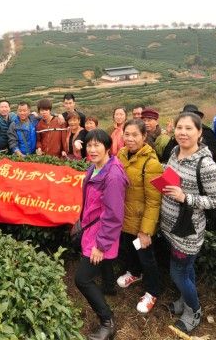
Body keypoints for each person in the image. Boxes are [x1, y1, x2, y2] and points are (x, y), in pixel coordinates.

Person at [160, 112, 216, 334]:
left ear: (200, 133)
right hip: (170, 226)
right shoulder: (174, 152)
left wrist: (185, 197)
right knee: (185, 271)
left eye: (189, 128)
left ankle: (194, 310)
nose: (183, 132)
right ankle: (184, 299)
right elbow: (173, 176)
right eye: (180, 127)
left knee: (178, 273)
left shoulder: (206, 165)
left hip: (188, 232)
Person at [74, 129, 128, 340]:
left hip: (101, 235)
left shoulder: (112, 176)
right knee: (103, 266)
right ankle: (109, 287)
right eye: (89, 145)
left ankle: (107, 321)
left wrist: (100, 245)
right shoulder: (95, 167)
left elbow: (114, 215)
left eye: (97, 145)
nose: (92, 149)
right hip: (93, 229)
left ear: (107, 147)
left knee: (82, 279)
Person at [115, 119, 164, 314]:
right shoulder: (121, 154)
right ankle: (134, 273)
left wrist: (145, 231)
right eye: (127, 134)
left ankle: (153, 291)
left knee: (146, 258)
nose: (130, 139)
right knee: (129, 250)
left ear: (144, 136)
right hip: (124, 218)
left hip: (140, 222)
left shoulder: (151, 164)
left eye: (135, 135)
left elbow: (154, 201)